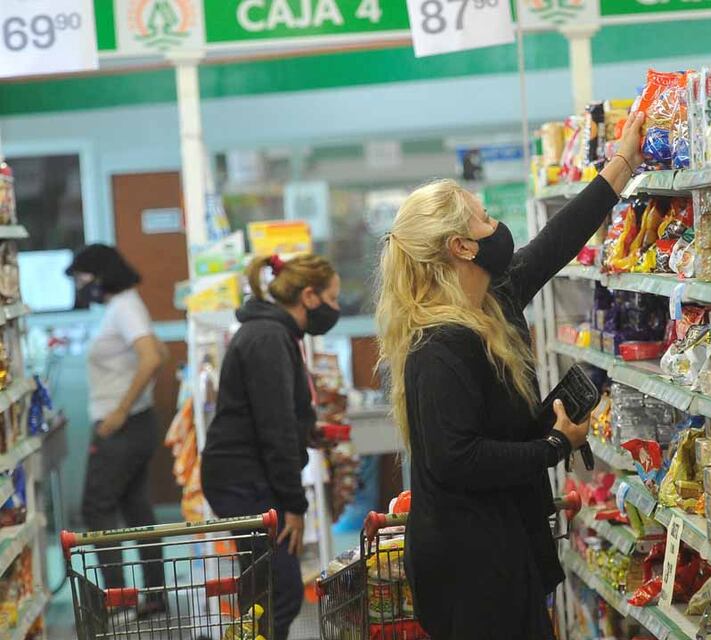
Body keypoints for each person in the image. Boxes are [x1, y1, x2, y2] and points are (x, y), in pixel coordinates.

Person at [375, 111, 646, 639]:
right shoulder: (438, 344)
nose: (496, 225)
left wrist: (623, 163)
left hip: (503, 541)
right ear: (461, 247)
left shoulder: (489, 301)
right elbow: (457, 458)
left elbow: (553, 243)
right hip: (470, 564)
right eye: (483, 219)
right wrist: (552, 444)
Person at [201, 254, 341, 640]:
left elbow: (278, 415)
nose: (337, 308)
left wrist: (308, 431)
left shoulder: (274, 333)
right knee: (279, 594)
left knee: (261, 593)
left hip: (244, 475)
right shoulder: (268, 338)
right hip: (245, 480)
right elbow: (274, 428)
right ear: (309, 296)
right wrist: (294, 505)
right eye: (333, 297)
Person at [67, 244, 169, 613]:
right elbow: (160, 353)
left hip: (122, 428)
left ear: (101, 275)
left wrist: (121, 411)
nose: (80, 285)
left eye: (82, 277)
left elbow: (153, 357)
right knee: (137, 509)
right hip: (136, 425)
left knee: (96, 507)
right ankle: (153, 596)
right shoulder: (127, 305)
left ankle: (119, 598)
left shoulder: (124, 306)